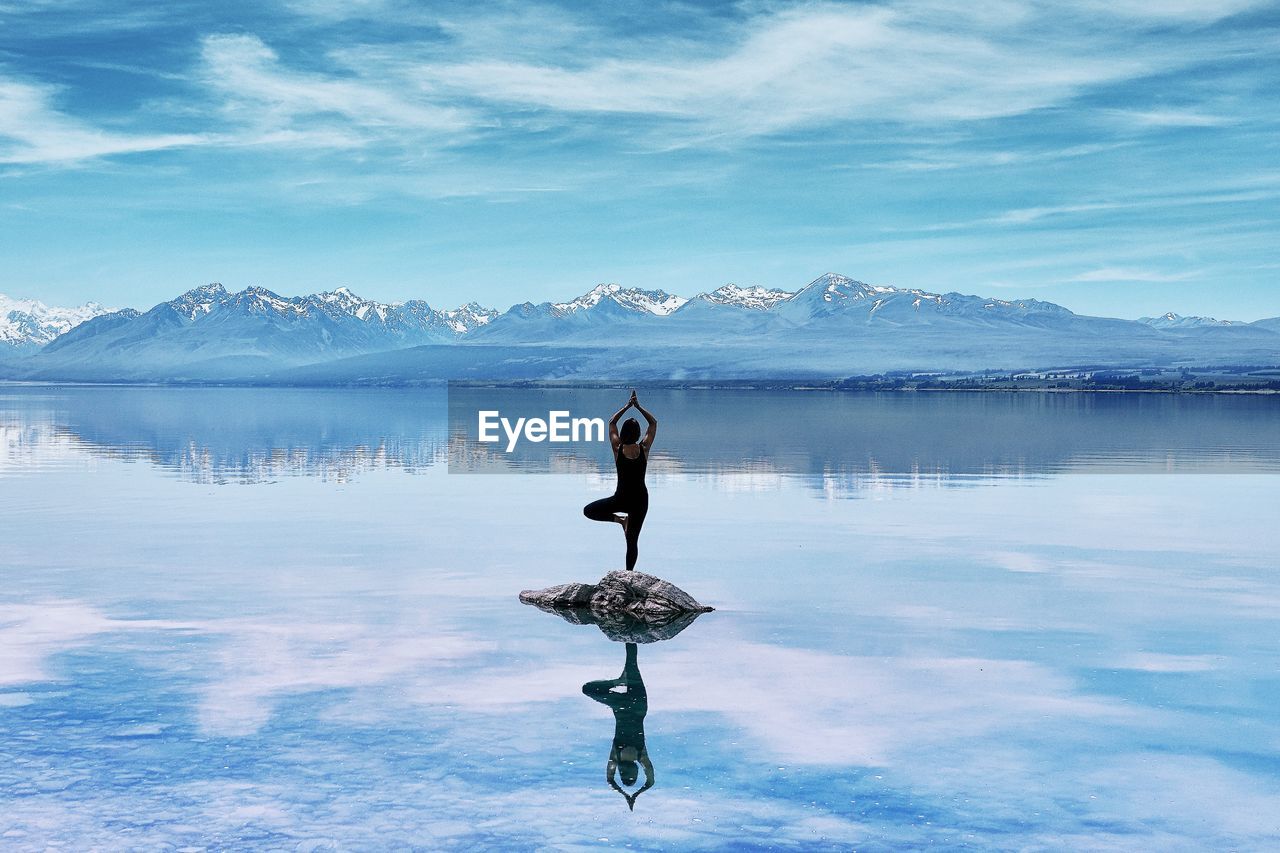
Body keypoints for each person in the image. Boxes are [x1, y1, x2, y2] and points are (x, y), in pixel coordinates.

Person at [582, 390, 657, 571]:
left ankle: (620, 521)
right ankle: (628, 574)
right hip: (640, 500)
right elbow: (653, 423)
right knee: (632, 542)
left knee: (589, 511)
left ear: (623, 433)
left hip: (622, 498)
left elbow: (612, 422)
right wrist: (638, 407)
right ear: (638, 433)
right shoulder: (644, 448)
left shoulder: (617, 448)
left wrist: (627, 406)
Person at [581, 642, 654, 810]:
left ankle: (630, 636)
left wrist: (635, 794)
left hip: (637, 705)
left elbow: (650, 781)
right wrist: (625, 793)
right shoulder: (620, 756)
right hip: (626, 706)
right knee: (588, 689)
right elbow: (610, 780)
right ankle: (618, 679)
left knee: (631, 661)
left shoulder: (639, 757)